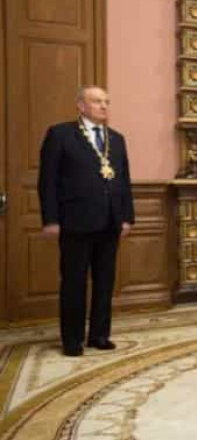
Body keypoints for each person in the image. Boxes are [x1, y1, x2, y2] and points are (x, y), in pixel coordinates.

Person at [38, 85, 134, 357]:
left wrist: (126, 217)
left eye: (106, 101)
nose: (104, 106)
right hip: (75, 222)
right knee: (74, 282)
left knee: (105, 282)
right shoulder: (60, 134)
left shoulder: (116, 138)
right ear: (81, 105)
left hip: (110, 222)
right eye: (97, 101)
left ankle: (100, 335)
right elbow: (47, 181)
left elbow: (124, 181)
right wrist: (51, 219)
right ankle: (72, 339)